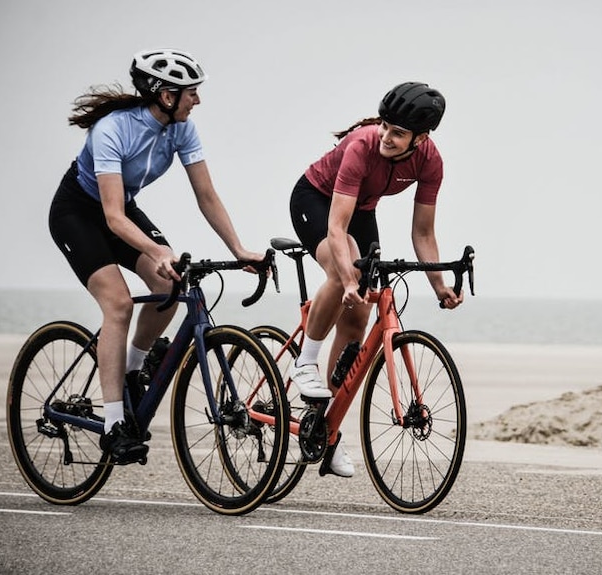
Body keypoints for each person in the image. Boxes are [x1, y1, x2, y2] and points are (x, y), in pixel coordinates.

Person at [49, 49, 264, 464]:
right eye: (191, 93)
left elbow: (206, 195)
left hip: (121, 210)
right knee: (118, 304)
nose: (197, 100)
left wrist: (237, 249)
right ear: (166, 96)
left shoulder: (182, 129)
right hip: (78, 213)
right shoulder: (112, 130)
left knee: (170, 282)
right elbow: (112, 217)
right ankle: (114, 424)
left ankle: (133, 369)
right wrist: (156, 248)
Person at [288, 81, 464, 477]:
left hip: (361, 209)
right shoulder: (361, 145)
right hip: (316, 199)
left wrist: (440, 286)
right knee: (343, 270)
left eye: (398, 132)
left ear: (420, 139)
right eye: (385, 125)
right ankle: (306, 362)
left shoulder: (430, 162)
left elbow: (423, 234)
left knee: (359, 315)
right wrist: (348, 278)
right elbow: (336, 229)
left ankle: (326, 430)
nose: (386, 136)